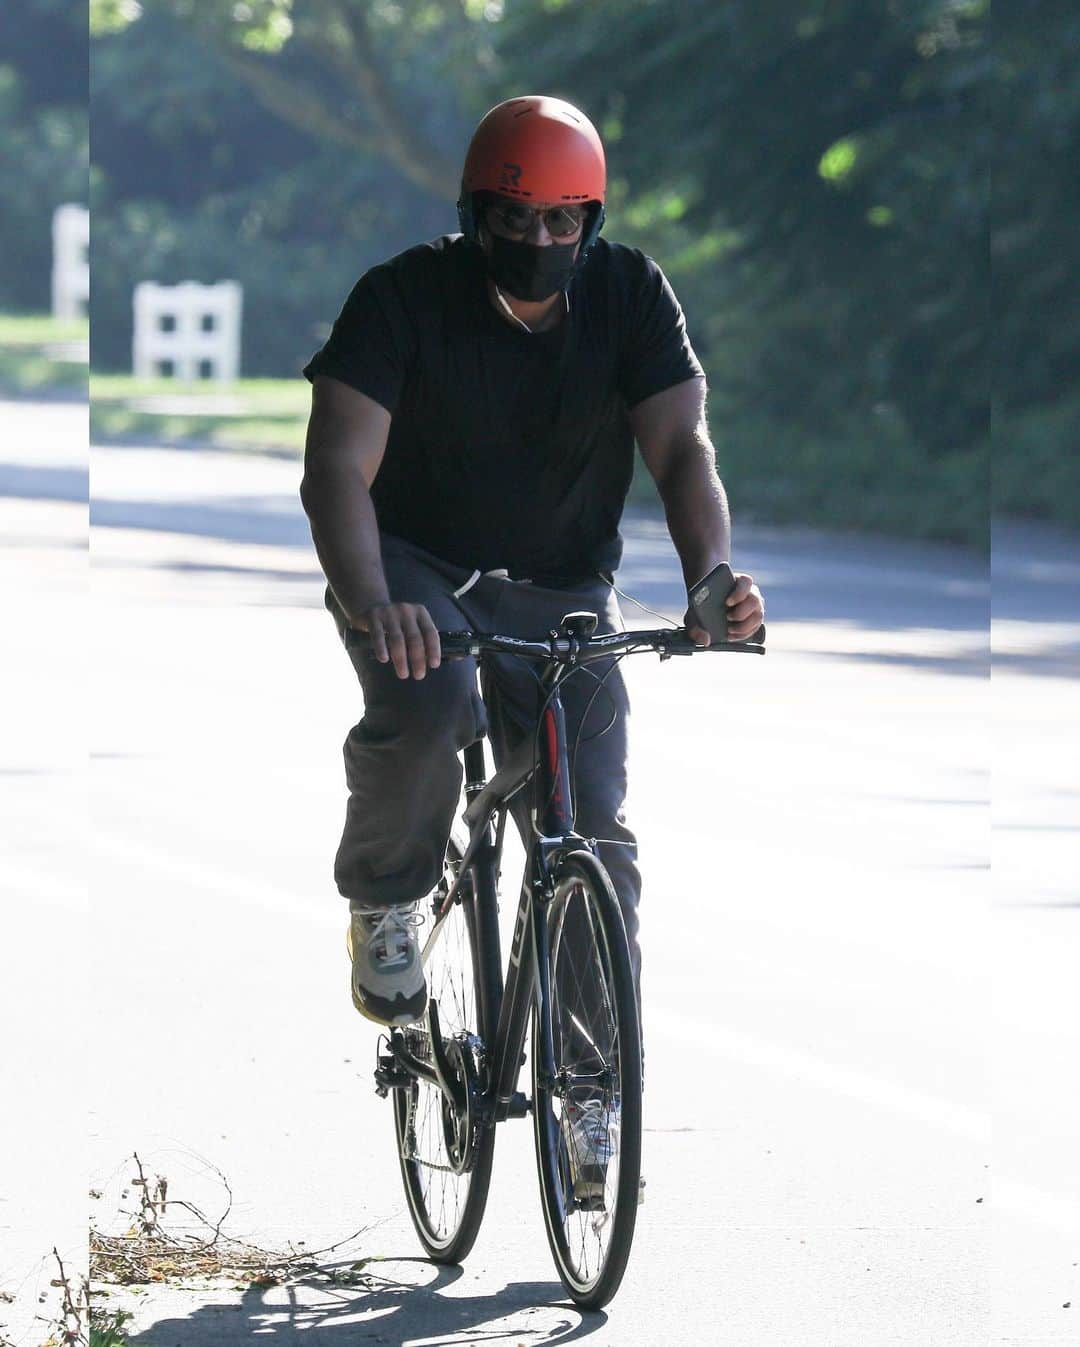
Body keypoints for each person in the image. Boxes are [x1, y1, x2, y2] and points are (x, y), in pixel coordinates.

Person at [300, 95, 765, 1034]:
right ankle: (388, 898)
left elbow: (682, 451)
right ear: (477, 213)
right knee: (431, 708)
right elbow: (335, 468)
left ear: (589, 222)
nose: (538, 237)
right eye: (514, 217)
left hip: (563, 584)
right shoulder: (401, 297)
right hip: (418, 572)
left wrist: (711, 577)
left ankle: (591, 1076)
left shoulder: (630, 294)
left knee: (589, 821)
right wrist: (373, 599)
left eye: (561, 219)